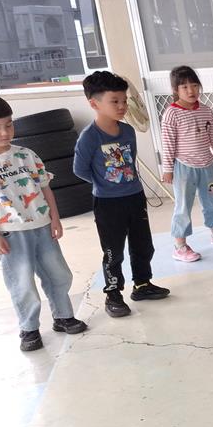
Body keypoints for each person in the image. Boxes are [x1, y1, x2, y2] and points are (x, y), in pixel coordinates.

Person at [73, 71, 170, 318]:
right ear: (94, 104)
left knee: (143, 244)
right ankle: (113, 294)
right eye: (114, 101)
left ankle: (142, 284)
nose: (122, 106)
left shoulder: (127, 131)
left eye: (124, 101)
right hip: (108, 203)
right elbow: (79, 169)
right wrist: (104, 184)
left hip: (135, 197)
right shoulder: (89, 137)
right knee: (113, 251)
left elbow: (131, 160)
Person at [0, 96, 86, 351]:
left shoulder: (27, 155)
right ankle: (29, 328)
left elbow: (45, 188)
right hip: (10, 233)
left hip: (42, 226)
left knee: (59, 273)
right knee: (22, 283)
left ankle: (63, 316)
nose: (5, 132)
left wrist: (55, 218)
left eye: (9, 125)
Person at [160, 66, 213, 262]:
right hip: (184, 168)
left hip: (208, 166)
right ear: (176, 90)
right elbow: (168, 143)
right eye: (184, 87)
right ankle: (180, 246)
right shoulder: (171, 113)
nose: (191, 90)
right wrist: (168, 169)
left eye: (194, 85)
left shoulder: (206, 110)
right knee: (183, 206)